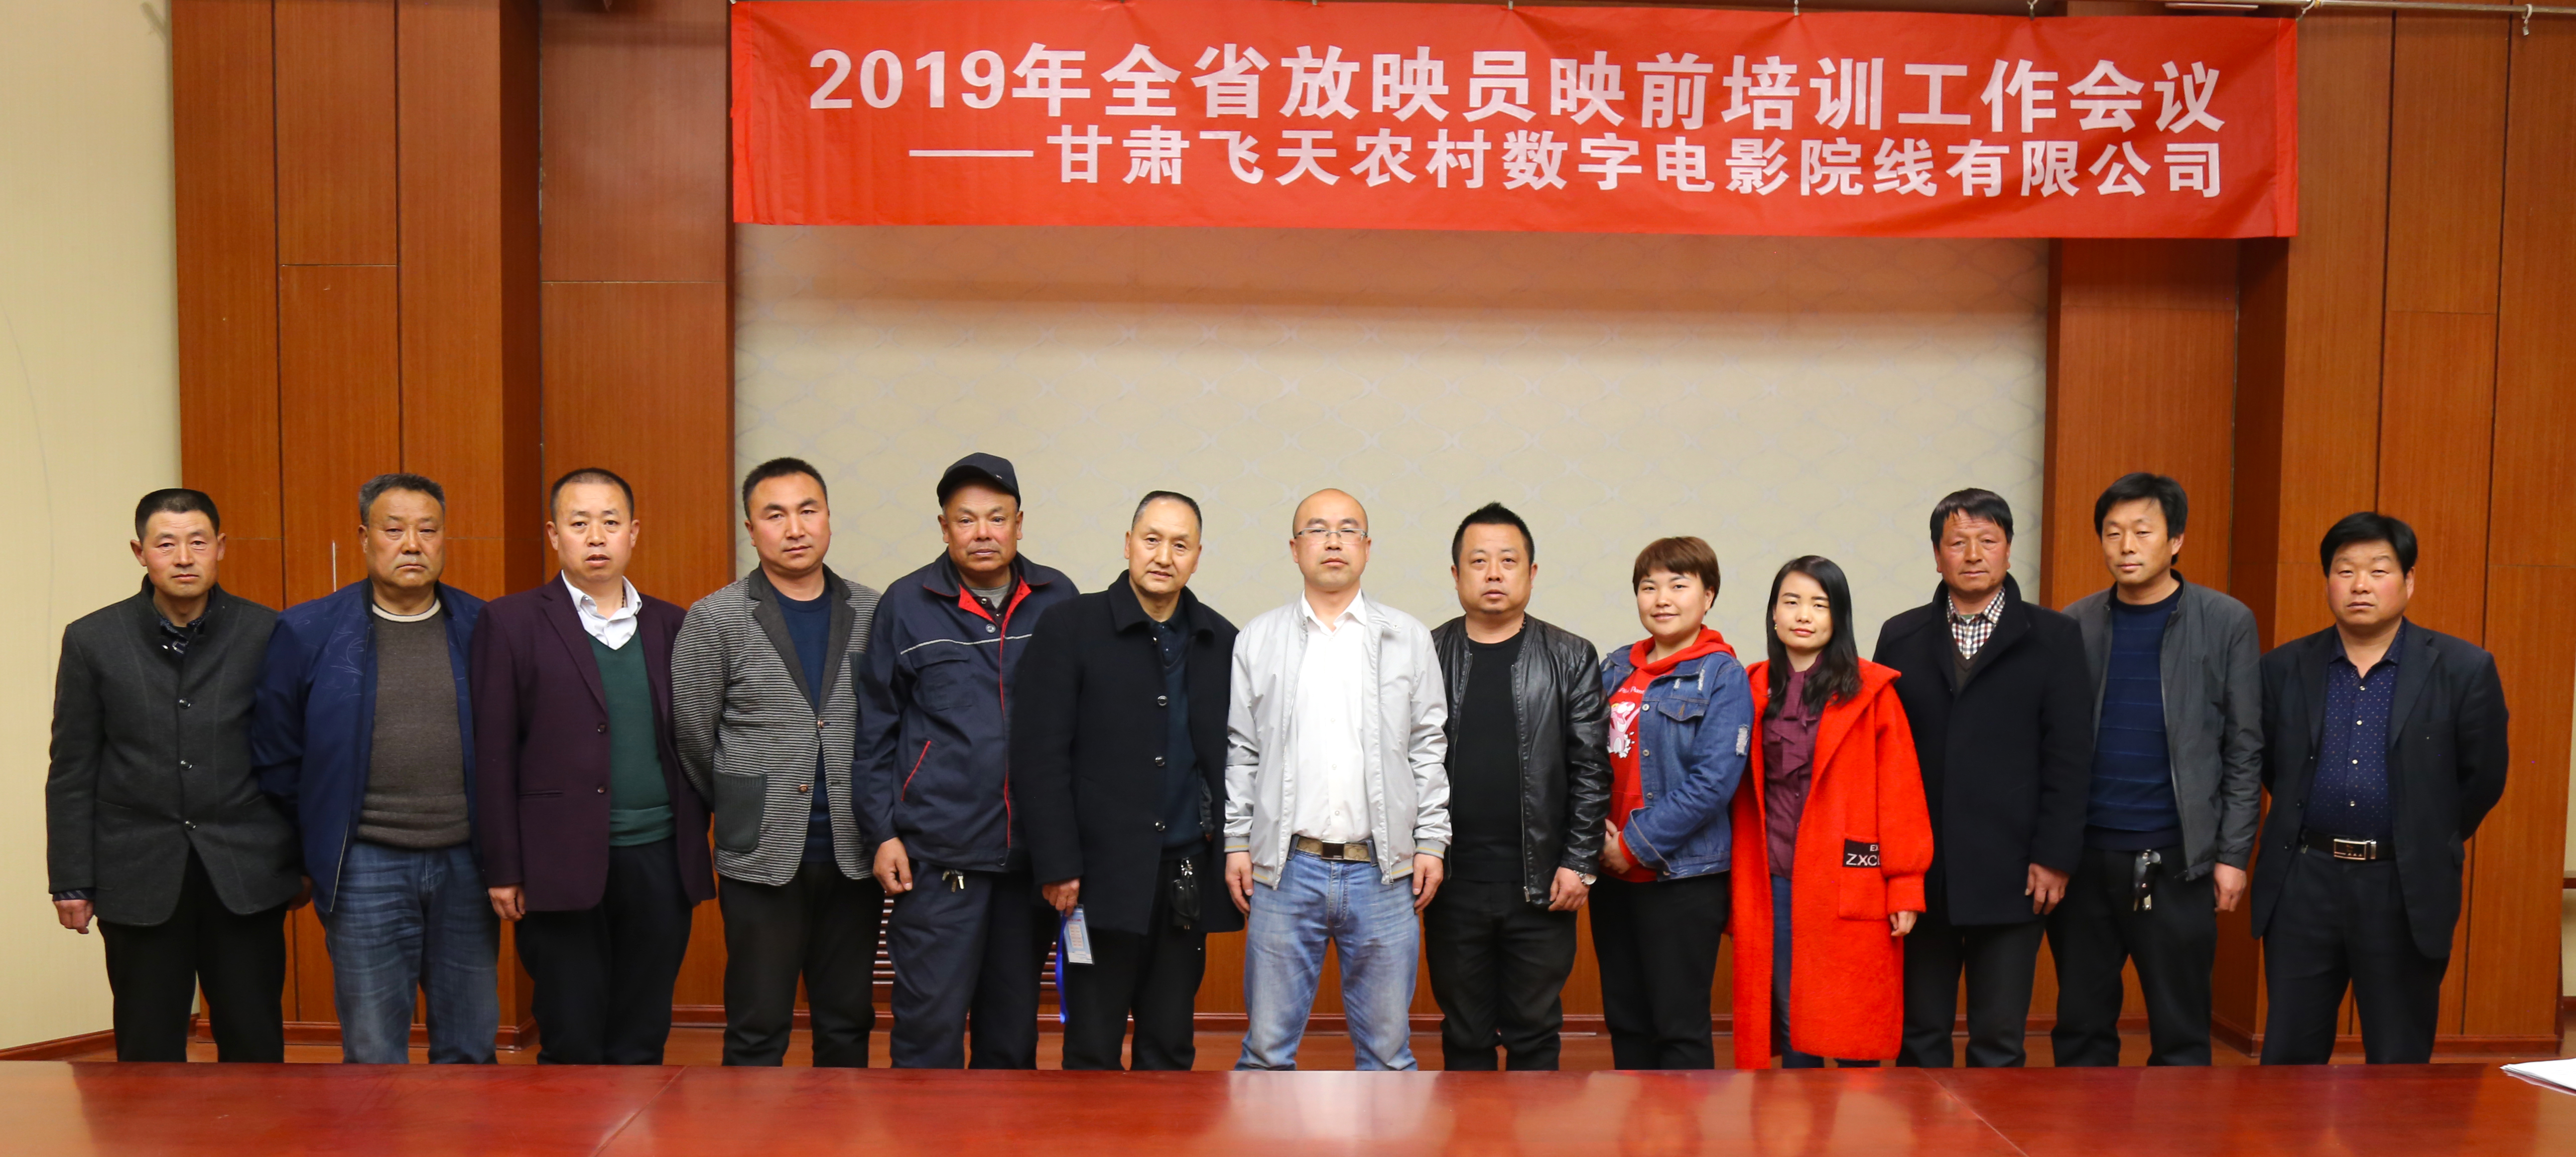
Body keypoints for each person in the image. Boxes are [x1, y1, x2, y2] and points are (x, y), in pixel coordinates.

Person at [47, 489, 301, 1062]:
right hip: (136, 872)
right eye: (166, 544)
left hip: (246, 872)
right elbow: (72, 770)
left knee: (255, 1046)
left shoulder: (268, 633)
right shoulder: (93, 640)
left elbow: (294, 758)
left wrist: (302, 862)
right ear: (140, 553)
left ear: (221, 548)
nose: (184, 558)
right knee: (147, 1051)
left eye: (198, 542)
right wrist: (71, 879)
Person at [253, 473, 495, 1064]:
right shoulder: (308, 631)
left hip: (468, 864)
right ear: (364, 538)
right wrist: (308, 850)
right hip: (362, 864)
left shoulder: (484, 627)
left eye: (428, 530)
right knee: (373, 1054)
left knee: (470, 1051)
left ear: (444, 538)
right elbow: (277, 756)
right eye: (394, 530)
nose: (412, 544)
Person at [472, 468, 711, 1065]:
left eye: (610, 522)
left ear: (634, 532)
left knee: (642, 1033)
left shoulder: (674, 625)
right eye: (579, 523)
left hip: (659, 857)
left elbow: (697, 740)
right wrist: (504, 867)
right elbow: (494, 755)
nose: (596, 536)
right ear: (555, 535)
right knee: (571, 1036)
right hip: (557, 862)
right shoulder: (510, 622)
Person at [2251, 513, 2508, 1064]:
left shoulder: (2463, 669)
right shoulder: (2282, 668)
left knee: (2399, 1062)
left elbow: (2483, 778)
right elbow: (2273, 768)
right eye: (2345, 571)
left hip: (2403, 883)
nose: (2360, 585)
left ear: (2409, 581)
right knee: (2289, 1061)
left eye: (2378, 570)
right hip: (2304, 880)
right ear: (2328, 581)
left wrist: (2422, 837)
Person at [862, 452, 1078, 1069]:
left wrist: (1068, 849)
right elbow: (874, 729)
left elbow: (1082, 727)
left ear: (1019, 524)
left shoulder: (1059, 599)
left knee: (1010, 1040)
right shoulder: (906, 603)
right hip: (938, 861)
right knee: (927, 1034)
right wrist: (881, 833)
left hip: (1029, 864)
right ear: (944, 527)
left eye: (997, 518)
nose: (983, 533)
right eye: (966, 520)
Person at [1015, 491, 1242, 1071]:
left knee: (1170, 1045)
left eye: (1180, 545)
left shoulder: (1221, 641)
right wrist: (1058, 863)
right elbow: (1040, 756)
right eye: (1152, 540)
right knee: (1091, 1046)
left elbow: (1237, 761)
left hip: (1184, 877)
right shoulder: (1070, 627)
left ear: (1197, 557)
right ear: (1128, 544)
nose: (1164, 556)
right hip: (1095, 877)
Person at [1224, 488, 1449, 1071]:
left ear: (1367, 548)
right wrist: (1237, 841)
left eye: (1348, 530)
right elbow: (1242, 751)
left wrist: (1431, 840)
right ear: (1294, 548)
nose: (1333, 541)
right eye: (1317, 529)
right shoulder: (1257, 639)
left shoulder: (1408, 637)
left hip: (1383, 871)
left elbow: (1428, 749)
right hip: (1284, 870)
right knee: (1266, 1053)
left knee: (1388, 1057)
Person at [671, 457, 882, 1067]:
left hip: (854, 854)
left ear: (829, 518)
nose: (795, 528)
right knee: (758, 1026)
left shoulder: (874, 612)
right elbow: (693, 735)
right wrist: (743, 805)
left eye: (807, 510)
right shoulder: (715, 618)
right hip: (760, 853)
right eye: (775, 514)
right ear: (751, 528)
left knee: (847, 1023)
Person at [2049, 473, 2262, 1067]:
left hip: (2178, 860)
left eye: (2142, 532)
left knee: (2181, 1031)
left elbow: (2245, 748)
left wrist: (2232, 855)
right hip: (2086, 859)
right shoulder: (2075, 624)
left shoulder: (2226, 621)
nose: (2126, 546)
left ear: (2176, 541)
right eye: (2112, 532)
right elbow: (2054, 746)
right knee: (2081, 1027)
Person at [1873, 488, 2089, 1068]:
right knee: (1919, 1036)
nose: (1973, 555)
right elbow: (1884, 758)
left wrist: (2055, 856)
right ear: (1937, 556)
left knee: (1998, 1041)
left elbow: (2070, 756)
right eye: (1958, 542)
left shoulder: (2055, 637)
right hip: (1925, 871)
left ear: (2009, 550)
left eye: (1987, 541)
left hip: (2015, 870)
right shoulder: (1900, 636)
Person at [1423, 502, 1609, 1071]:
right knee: (1465, 1034)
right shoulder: (1425, 653)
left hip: (1543, 882)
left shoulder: (1571, 656)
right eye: (1478, 561)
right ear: (1456, 574)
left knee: (1534, 1033)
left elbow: (1591, 767)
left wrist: (1579, 862)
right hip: (1451, 881)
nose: (1494, 573)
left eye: (1508, 561)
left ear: (1532, 572)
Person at [1729, 556, 1932, 1069]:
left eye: (1819, 605)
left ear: (1838, 617)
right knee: (1791, 1013)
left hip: (1850, 877)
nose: (1804, 615)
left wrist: (1905, 884)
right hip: (1774, 876)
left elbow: (1902, 794)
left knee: (1851, 1018)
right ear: (1773, 613)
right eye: (1791, 602)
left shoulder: (1872, 693)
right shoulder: (1748, 688)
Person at [1591, 536, 1752, 1070]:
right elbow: (1581, 759)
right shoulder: (1615, 668)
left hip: (1682, 877)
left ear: (1708, 596)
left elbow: (1713, 782)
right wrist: (1597, 840)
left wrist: (1633, 846)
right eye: (1649, 586)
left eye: (1679, 586)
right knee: (1627, 1021)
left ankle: (1683, 1125)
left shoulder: (1722, 675)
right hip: (1610, 876)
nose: (1662, 598)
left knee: (1679, 1028)